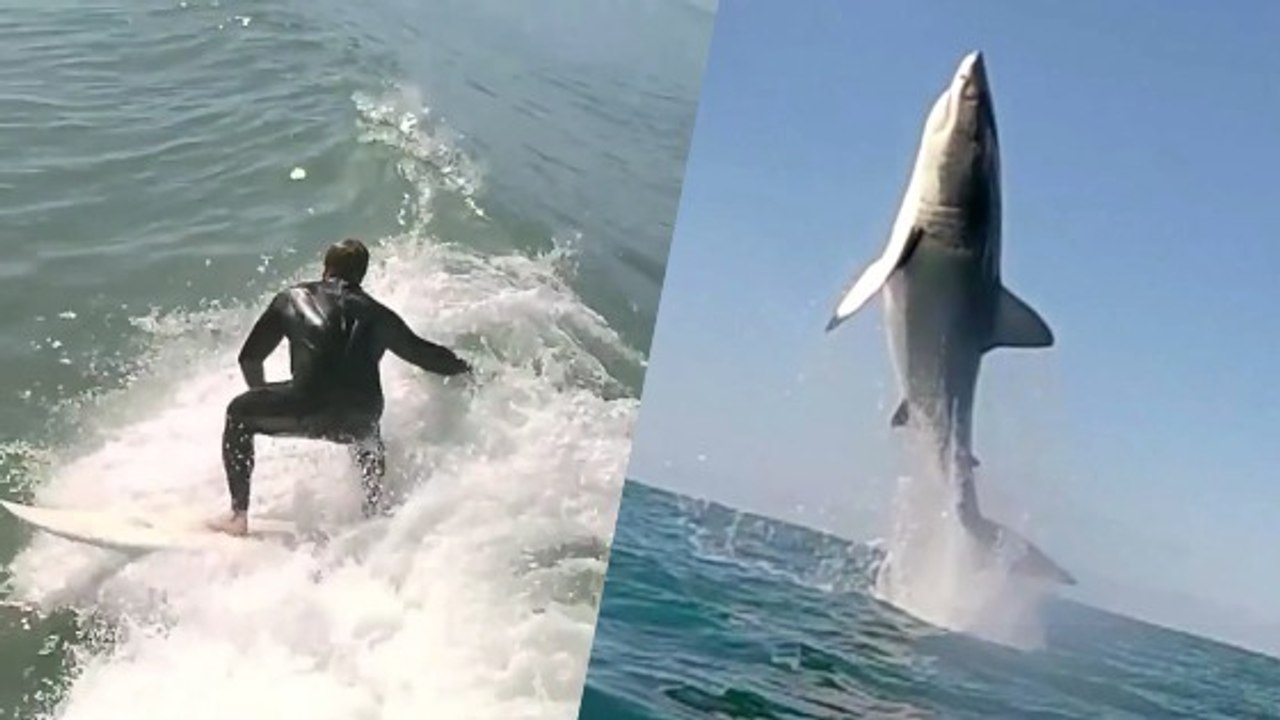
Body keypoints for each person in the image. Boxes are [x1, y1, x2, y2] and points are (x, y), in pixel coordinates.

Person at [207, 238, 472, 536]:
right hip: (359, 417)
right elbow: (426, 355)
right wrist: (469, 371)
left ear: (327, 268)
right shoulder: (380, 314)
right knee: (369, 434)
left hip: (306, 404)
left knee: (238, 414)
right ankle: (372, 516)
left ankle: (238, 516)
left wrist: (264, 396)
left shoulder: (292, 298)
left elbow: (250, 358)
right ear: (361, 275)